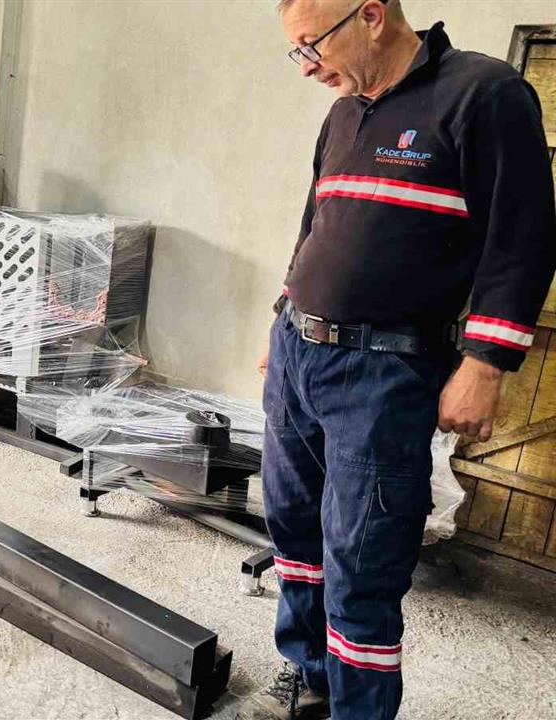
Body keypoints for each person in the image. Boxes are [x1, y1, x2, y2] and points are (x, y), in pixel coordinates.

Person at [241, 1, 555, 719]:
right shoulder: (344, 113)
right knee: (293, 527)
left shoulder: (484, 94)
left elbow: (524, 241)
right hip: (298, 355)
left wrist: (485, 364)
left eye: (310, 46)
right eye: (297, 52)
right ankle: (310, 673)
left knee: (363, 560)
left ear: (372, 16)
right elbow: (315, 226)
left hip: (381, 376)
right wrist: (281, 318)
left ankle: (358, 710)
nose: (308, 66)